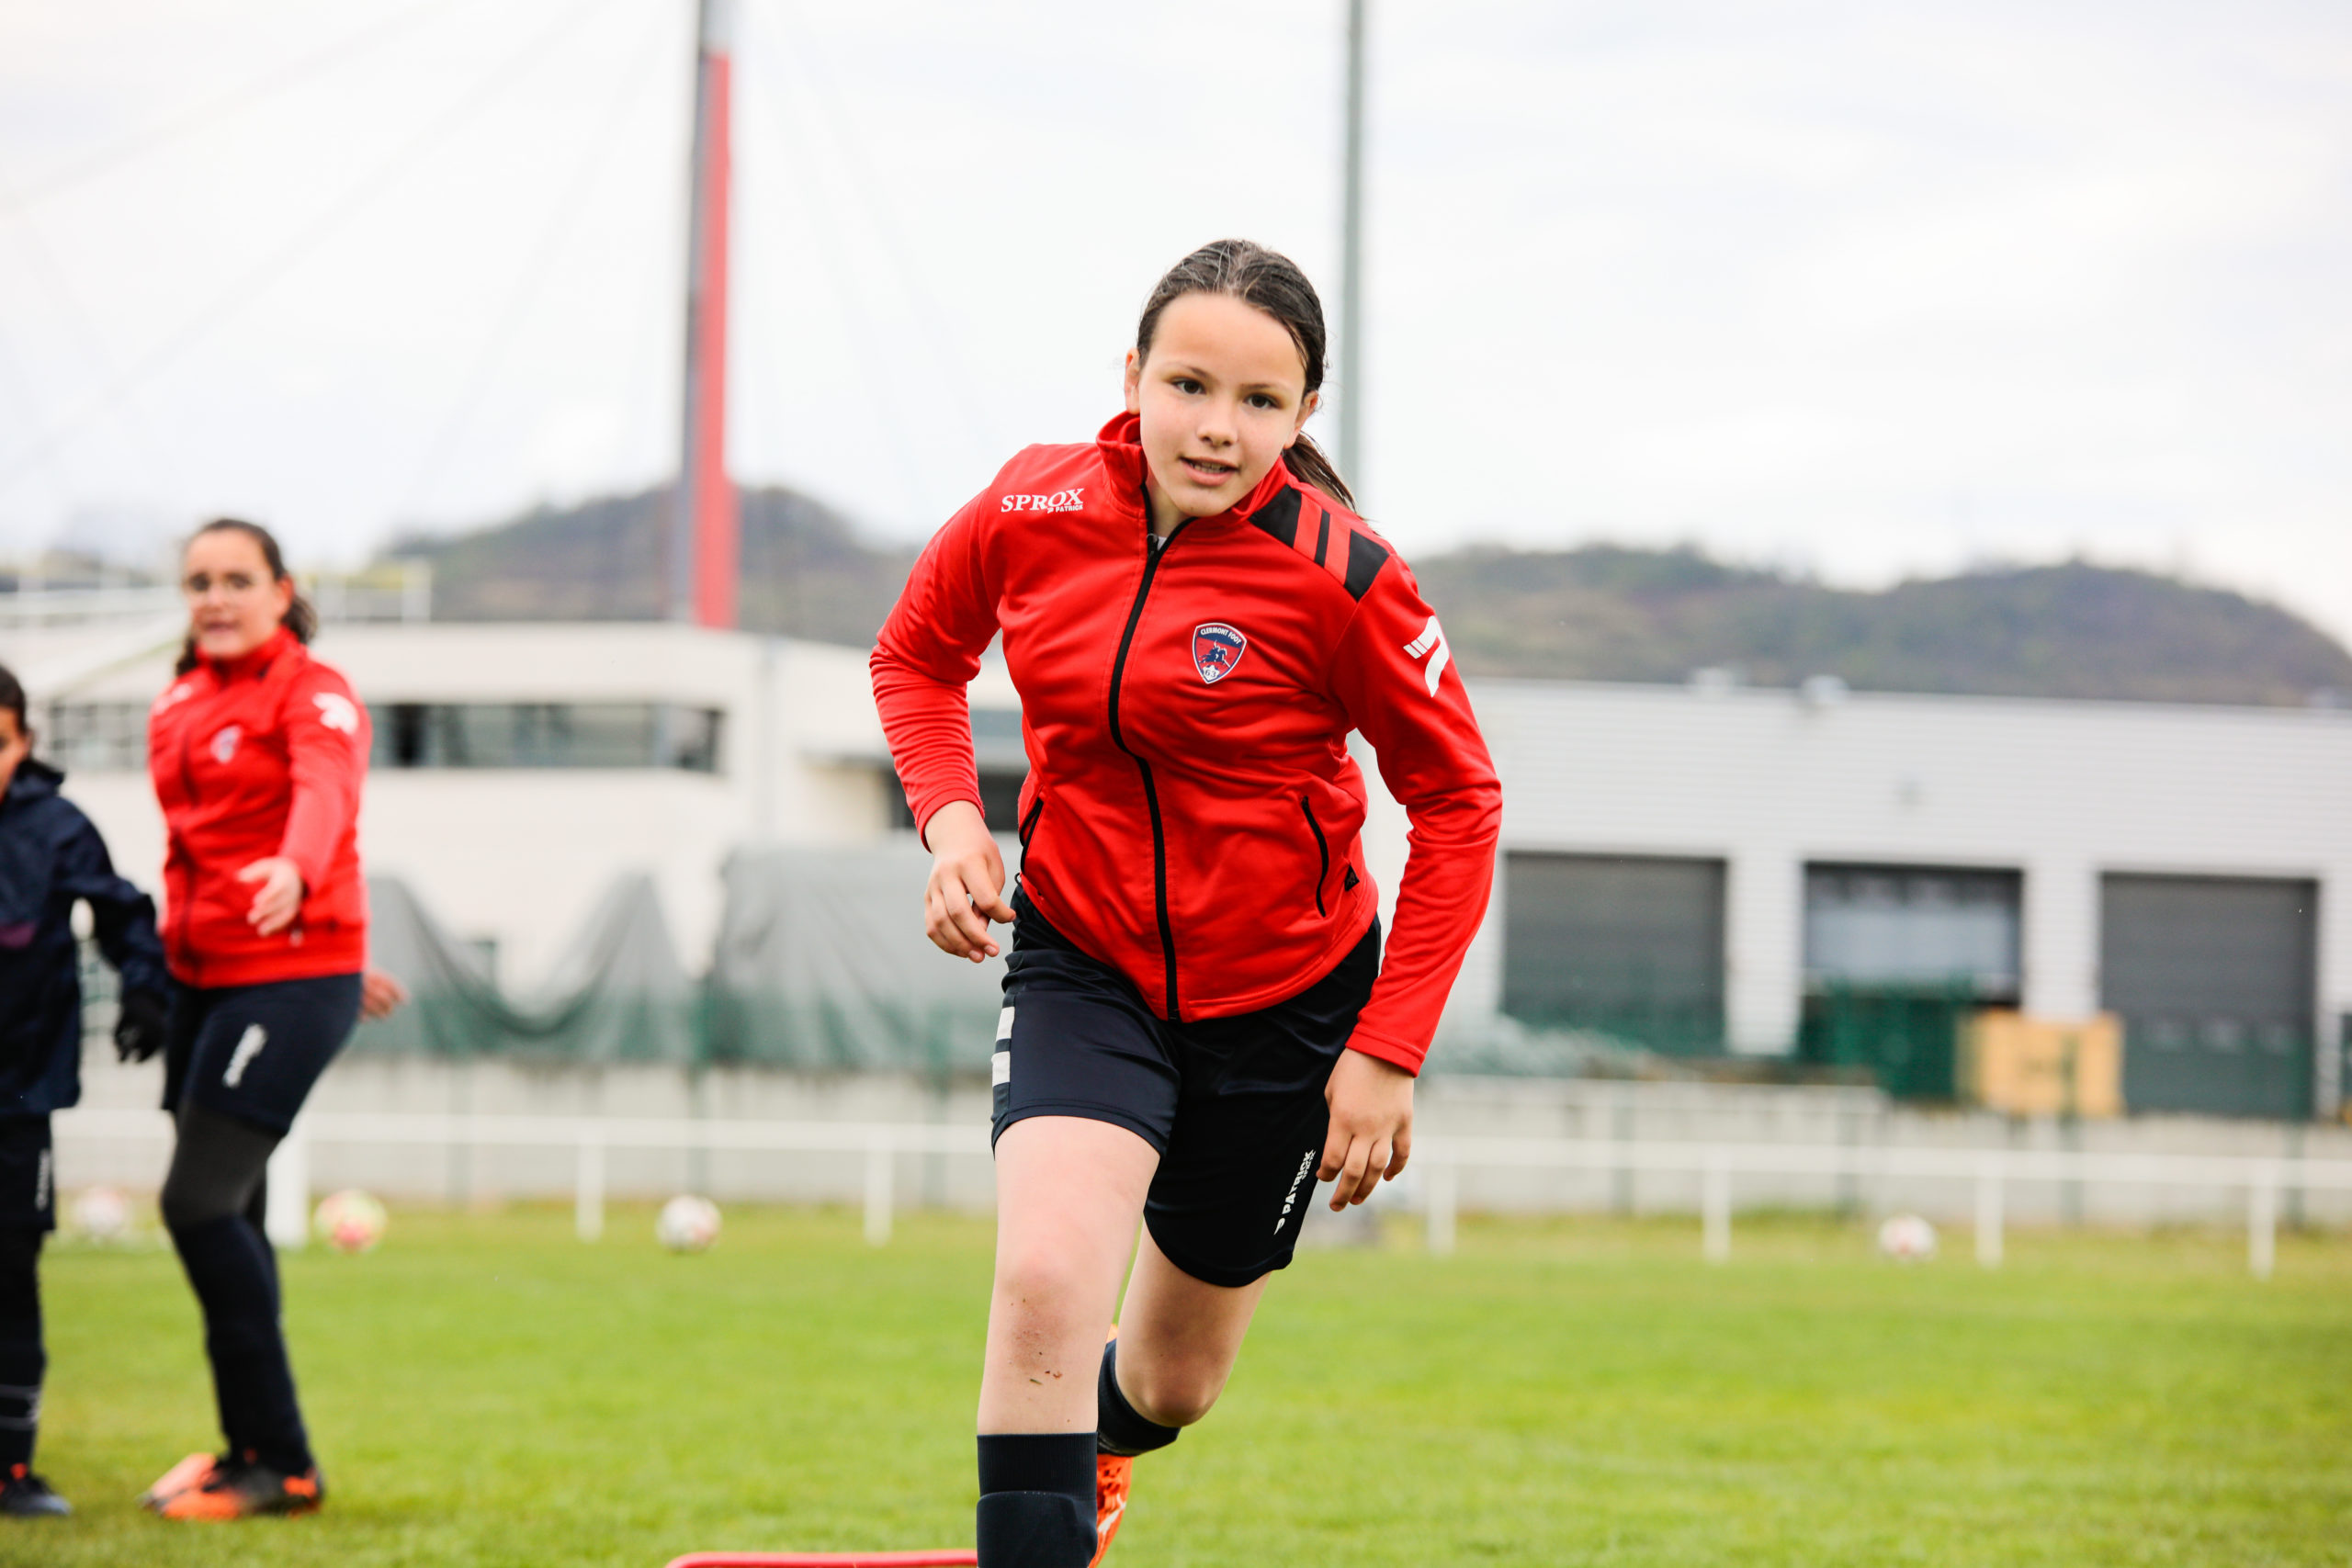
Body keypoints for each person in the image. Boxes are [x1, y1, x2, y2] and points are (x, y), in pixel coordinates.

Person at [871, 239, 1502, 1568]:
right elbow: (917, 654)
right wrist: (948, 822)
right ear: (1134, 376)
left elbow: (1460, 802)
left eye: (1260, 401)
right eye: (1189, 384)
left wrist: (1386, 1054)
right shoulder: (1030, 508)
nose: (1218, 427)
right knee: (1044, 1277)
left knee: (1171, 1380)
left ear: (1304, 414)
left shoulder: (1347, 578)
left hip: (1286, 1006)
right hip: (1084, 963)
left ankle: (1098, 1442)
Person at [134, 518, 401, 1521]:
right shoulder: (178, 700)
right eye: (198, 579)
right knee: (228, 1214)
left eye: (236, 579)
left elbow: (325, 792)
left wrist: (298, 875)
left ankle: (282, 1463)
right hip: (203, 981)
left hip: (287, 972)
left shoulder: (315, 690)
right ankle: (246, 1448)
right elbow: (193, 849)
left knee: (196, 1204)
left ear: (281, 591)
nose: (214, 596)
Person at [0, 663, 173, 1517]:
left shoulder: (57, 826)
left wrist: (147, 986)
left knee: (9, 1272)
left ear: (22, 743)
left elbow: (121, 911)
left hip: (17, 1093)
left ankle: (9, 1469)